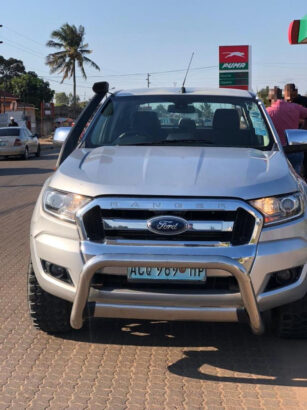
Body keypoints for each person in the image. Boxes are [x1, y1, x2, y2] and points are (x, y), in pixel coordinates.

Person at [266, 87, 307, 174]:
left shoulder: (267, 112)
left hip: (274, 152)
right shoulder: (295, 107)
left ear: (270, 99)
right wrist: (303, 130)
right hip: (294, 148)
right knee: (296, 177)